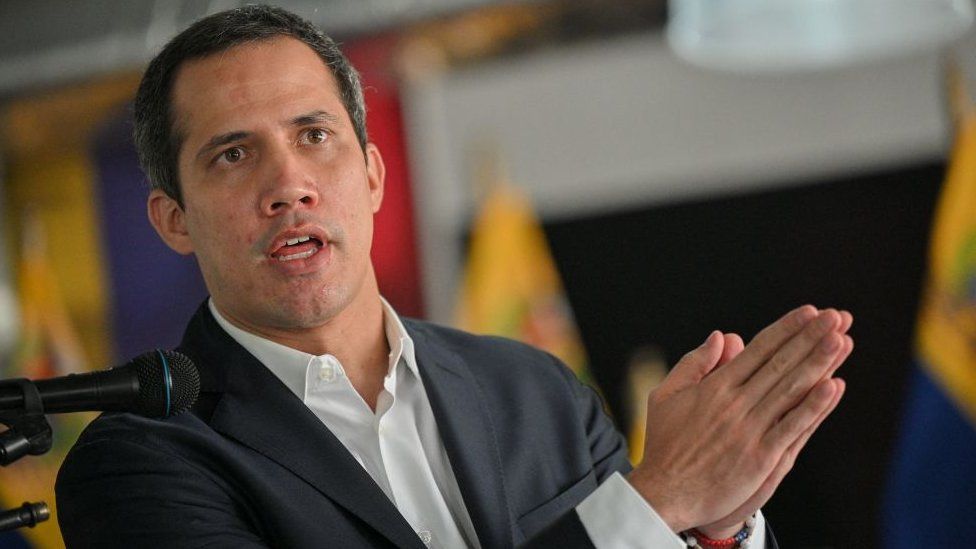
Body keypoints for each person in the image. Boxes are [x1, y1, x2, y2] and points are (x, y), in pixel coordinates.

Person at [55, 5, 853, 548]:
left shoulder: (534, 387)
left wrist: (716, 522)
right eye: (233, 153)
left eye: (314, 134)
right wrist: (657, 498)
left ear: (371, 176)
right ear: (173, 220)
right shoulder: (136, 466)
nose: (288, 183)